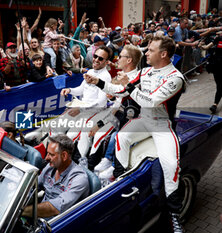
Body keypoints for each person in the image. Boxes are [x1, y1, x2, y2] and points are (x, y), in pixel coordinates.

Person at [87, 36, 185, 232]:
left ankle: (175, 216)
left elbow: (150, 101)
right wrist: (98, 82)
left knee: (171, 166)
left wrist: (129, 87)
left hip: (162, 126)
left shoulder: (176, 78)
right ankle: (120, 179)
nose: (146, 53)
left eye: (150, 50)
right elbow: (121, 91)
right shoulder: (146, 71)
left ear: (163, 54)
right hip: (143, 121)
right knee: (121, 137)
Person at [90, 45, 142, 178]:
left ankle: (113, 167)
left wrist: (98, 82)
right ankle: (106, 161)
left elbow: (121, 91)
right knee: (110, 135)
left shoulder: (135, 78)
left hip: (138, 124)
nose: (117, 59)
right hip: (123, 121)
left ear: (129, 60)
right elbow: (116, 106)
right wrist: (100, 124)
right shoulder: (123, 76)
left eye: (120, 56)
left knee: (117, 137)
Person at [57, 46, 112, 160]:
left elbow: (101, 103)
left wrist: (80, 110)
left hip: (93, 113)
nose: (96, 60)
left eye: (100, 58)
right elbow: (82, 89)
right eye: (95, 56)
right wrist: (70, 90)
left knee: (73, 135)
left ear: (106, 62)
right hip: (82, 108)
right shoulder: (91, 71)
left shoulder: (105, 77)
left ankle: (80, 161)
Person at [22, 134, 89, 218]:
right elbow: (33, 185)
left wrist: (20, 211)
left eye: (51, 154)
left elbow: (55, 208)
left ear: (64, 156)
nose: (46, 158)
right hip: (39, 216)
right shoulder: (50, 167)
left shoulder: (78, 178)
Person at [200, 32, 222, 113]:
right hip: (217, 66)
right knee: (219, 85)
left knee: (220, 87)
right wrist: (200, 46)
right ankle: (215, 104)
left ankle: (215, 104)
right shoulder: (218, 39)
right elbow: (206, 47)